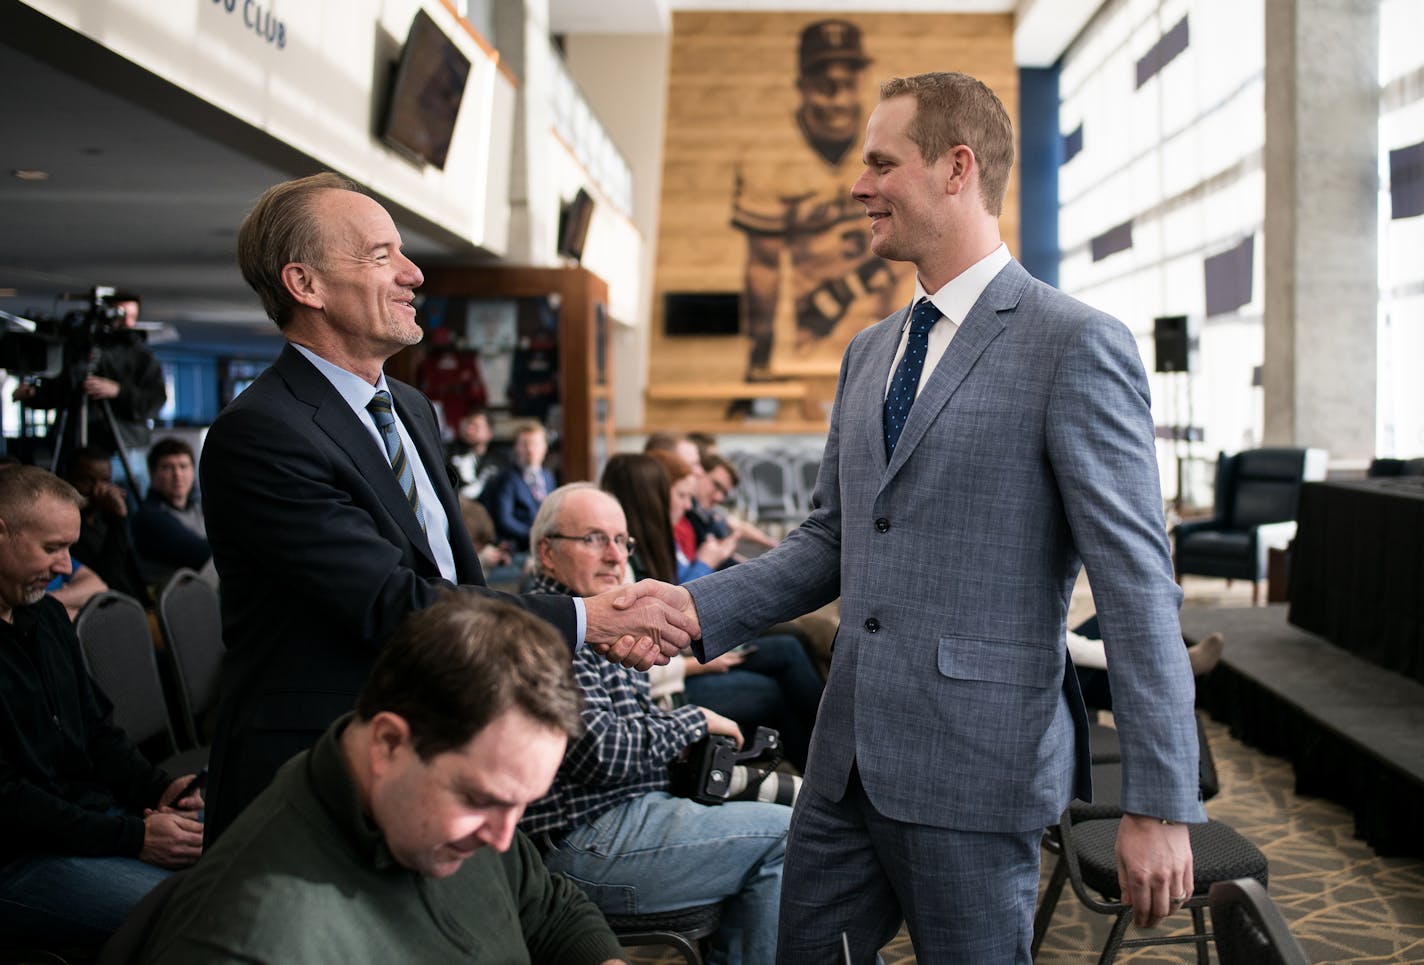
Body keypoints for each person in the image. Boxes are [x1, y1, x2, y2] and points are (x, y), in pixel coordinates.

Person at [641, 73, 1205, 962]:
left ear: (956, 168)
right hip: (842, 765)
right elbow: (831, 539)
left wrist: (1161, 799)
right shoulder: (870, 352)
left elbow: (1137, 588)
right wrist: (691, 610)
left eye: (880, 163)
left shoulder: (1074, 345)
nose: (858, 186)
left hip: (978, 771)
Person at [198, 173, 689, 845]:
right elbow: (391, 604)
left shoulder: (411, 408)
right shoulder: (261, 433)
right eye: (381, 256)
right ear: (304, 284)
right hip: (318, 776)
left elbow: (459, 586)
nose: (413, 272)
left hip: (434, 748)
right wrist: (587, 617)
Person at [138, 593, 627, 965]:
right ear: (389, 744)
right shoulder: (254, 940)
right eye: (481, 799)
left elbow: (549, 908)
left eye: (522, 804)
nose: (503, 836)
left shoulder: (453, 806)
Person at [522, 483, 790, 965]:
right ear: (548, 552)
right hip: (581, 843)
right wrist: (693, 720)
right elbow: (601, 752)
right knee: (790, 837)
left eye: (622, 542)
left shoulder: (601, 617)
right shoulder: (545, 631)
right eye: (594, 539)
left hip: (626, 812)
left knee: (803, 807)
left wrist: (682, 741)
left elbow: (628, 730)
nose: (613, 555)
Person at [0, 466, 203, 944]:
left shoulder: (47, 615)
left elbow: (96, 731)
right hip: (20, 858)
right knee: (196, 916)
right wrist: (134, 838)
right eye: (52, 548)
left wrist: (159, 789)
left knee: (239, 866)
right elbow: (9, 801)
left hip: (90, 823)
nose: (67, 567)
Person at [603, 453, 824, 771]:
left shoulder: (655, 542)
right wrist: (698, 665)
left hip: (675, 661)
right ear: (653, 500)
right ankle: (815, 767)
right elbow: (639, 658)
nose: (687, 505)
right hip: (669, 683)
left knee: (793, 642)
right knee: (776, 683)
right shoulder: (624, 561)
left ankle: (819, 759)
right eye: (680, 495)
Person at [729, 19, 906, 405]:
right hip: (811, 342)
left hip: (887, 338)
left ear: (861, 81)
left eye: (847, 83)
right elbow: (763, 267)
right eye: (824, 85)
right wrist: (758, 361)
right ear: (802, 86)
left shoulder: (896, 143)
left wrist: (848, 288)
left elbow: (921, 242)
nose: (837, 99)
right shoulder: (769, 159)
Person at [14, 291, 166, 500]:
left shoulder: (141, 356)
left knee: (127, 501)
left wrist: (118, 391)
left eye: (132, 316)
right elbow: (64, 390)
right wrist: (35, 395)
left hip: (123, 447)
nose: (126, 322)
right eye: (120, 314)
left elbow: (155, 401)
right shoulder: (78, 349)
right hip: (76, 445)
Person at [62, 445, 150, 602]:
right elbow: (108, 580)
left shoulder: (104, 520)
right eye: (88, 480)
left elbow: (131, 571)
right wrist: (119, 520)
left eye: (105, 481)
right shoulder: (65, 531)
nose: (99, 490)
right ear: (67, 479)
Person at [131, 437, 212, 587]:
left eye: (183, 466)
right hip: (172, 601)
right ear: (152, 473)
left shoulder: (199, 507)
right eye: (167, 467)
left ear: (193, 470)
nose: (177, 475)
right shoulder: (149, 517)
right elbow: (200, 553)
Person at [481, 420, 556, 548]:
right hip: (518, 545)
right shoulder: (507, 478)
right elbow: (504, 519)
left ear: (545, 447)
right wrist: (534, 536)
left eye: (536, 444)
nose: (531, 450)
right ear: (516, 448)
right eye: (525, 444)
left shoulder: (548, 477)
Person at [447, 407, 499, 500]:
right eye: (468, 425)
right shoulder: (449, 455)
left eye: (476, 426)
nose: (469, 430)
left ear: (489, 433)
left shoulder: (499, 461)